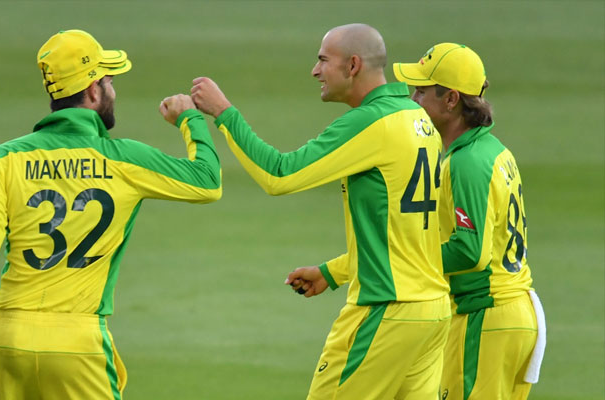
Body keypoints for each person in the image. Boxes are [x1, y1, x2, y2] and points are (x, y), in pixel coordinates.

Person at [0, 29, 221, 399]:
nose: (113, 89)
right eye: (109, 80)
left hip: (7, 340)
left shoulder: (8, 157)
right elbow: (208, 181)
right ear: (94, 91)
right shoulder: (122, 158)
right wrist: (190, 120)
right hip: (76, 344)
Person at [191, 23, 450, 399]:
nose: (315, 71)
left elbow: (279, 175)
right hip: (431, 313)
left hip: (385, 312)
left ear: (353, 65)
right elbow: (406, 236)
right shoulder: (418, 118)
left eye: (323, 60)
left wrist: (224, 113)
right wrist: (333, 272)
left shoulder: (371, 122)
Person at [393, 43, 546, 399]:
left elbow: (469, 251)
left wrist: (405, 263)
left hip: (487, 317)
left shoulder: (466, 163)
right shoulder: (494, 151)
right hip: (515, 315)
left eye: (422, 91)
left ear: (451, 100)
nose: (413, 99)